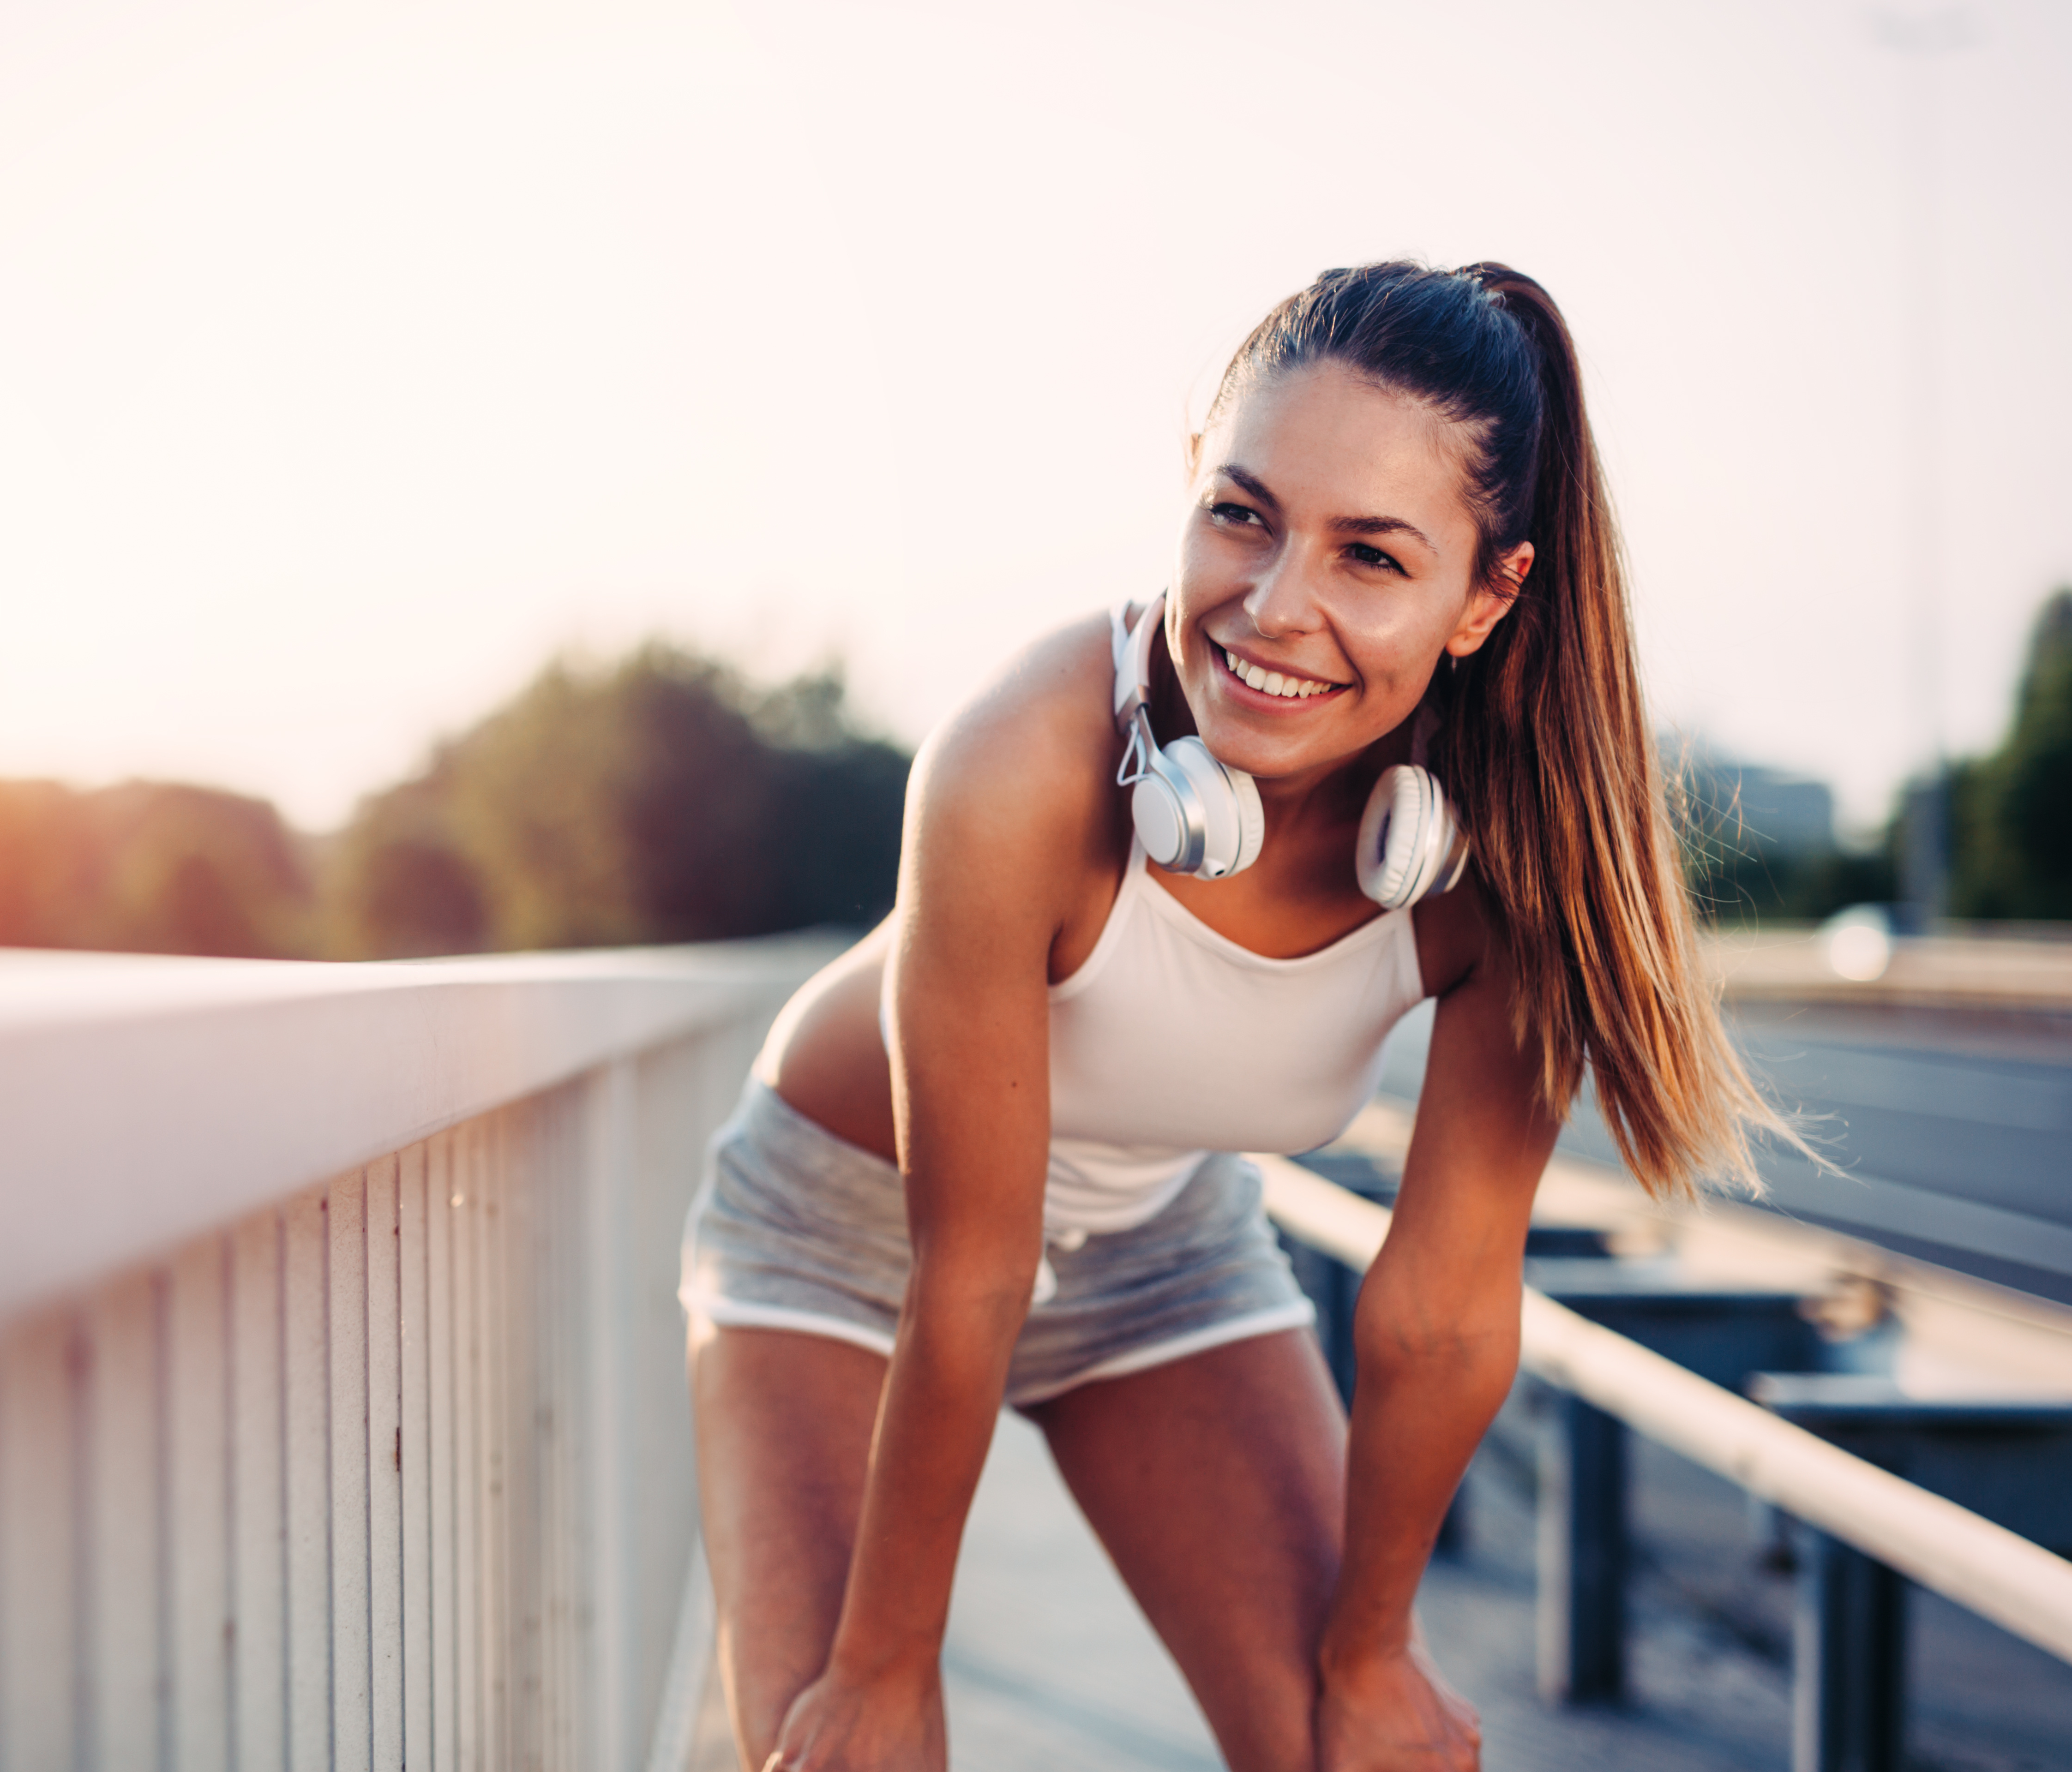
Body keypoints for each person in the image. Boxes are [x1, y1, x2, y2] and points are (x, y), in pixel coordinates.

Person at [678, 261, 1788, 1772]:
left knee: (1358, 1756)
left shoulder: (1514, 863)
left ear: (1489, 597)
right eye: (1243, 514)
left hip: (1158, 1243)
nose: (1276, 609)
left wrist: (1371, 1652)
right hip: (846, 1231)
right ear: (1189, 482)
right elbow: (973, 1269)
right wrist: (885, 1667)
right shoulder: (1022, 762)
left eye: (1374, 559)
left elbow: (1444, 1305)